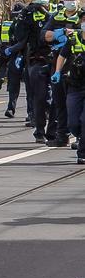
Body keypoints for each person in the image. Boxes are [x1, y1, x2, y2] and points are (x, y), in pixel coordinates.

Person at [7, 0, 57, 143]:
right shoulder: (28, 13)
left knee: (58, 98)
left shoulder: (57, 12)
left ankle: (55, 131)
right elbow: (20, 35)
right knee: (40, 97)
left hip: (57, 59)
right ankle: (39, 131)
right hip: (37, 59)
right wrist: (26, 14)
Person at [42, 0, 82, 147]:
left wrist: (74, 32)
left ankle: (81, 137)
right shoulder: (56, 17)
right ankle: (62, 135)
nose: (71, 1)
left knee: (78, 103)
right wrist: (59, 33)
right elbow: (44, 35)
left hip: (79, 65)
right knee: (59, 101)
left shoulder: (82, 16)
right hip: (59, 63)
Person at [52, 9, 85, 164]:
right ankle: (79, 136)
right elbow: (62, 55)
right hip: (75, 85)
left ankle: (82, 152)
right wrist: (58, 71)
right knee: (73, 123)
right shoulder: (74, 38)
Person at [0, 2, 26, 117]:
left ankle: (31, 112)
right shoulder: (11, 25)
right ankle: (11, 108)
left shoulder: (29, 23)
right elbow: (3, 38)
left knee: (31, 86)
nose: (17, 16)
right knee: (13, 84)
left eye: (18, 14)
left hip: (28, 55)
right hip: (14, 55)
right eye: (15, 14)